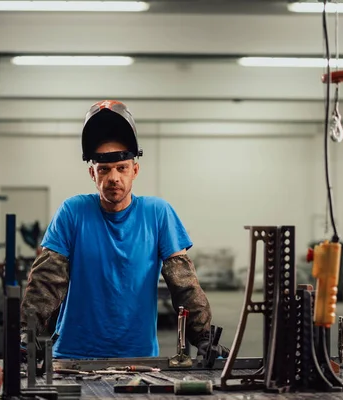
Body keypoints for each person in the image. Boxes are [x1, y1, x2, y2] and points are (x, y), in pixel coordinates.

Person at [20, 100, 229, 360]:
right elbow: (46, 281)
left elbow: (184, 283)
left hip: (138, 358)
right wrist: (26, 333)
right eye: (104, 169)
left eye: (122, 168)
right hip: (73, 355)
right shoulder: (72, 212)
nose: (114, 178)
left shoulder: (158, 214)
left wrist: (203, 337)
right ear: (92, 174)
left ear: (135, 170)